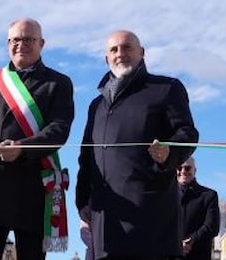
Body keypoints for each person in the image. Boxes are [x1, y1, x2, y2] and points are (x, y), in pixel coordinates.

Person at [76, 30, 199, 259]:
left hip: (151, 221)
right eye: (114, 49)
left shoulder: (167, 88)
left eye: (127, 47)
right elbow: (86, 156)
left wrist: (169, 152)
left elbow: (187, 133)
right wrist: (83, 200)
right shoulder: (96, 105)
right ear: (106, 58)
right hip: (106, 223)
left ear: (142, 53)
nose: (120, 53)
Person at [0, 18, 74, 260]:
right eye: (15, 39)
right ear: (8, 43)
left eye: (28, 39)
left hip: (33, 185)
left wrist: (21, 148)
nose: (21, 44)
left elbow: (59, 129)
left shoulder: (58, 83)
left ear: (41, 43)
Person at [177, 156, 220, 260]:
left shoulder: (209, 195)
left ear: (194, 171)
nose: (183, 171)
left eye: (187, 168)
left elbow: (212, 226)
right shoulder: (166, 197)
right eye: (179, 168)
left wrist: (191, 241)